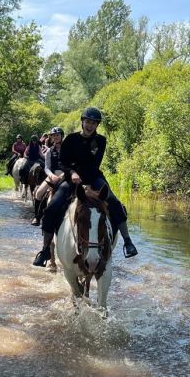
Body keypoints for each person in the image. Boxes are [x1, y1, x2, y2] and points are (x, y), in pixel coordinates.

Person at [32, 107, 138, 267]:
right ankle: (45, 249)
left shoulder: (101, 141)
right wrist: (72, 172)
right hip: (71, 179)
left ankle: (127, 242)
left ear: (97, 125)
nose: (90, 125)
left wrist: (85, 180)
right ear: (82, 122)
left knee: (115, 202)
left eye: (94, 123)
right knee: (53, 207)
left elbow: (94, 164)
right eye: (88, 122)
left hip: (93, 178)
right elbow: (62, 162)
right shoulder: (70, 139)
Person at [31, 126, 65, 226]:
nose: (56, 137)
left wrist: (63, 174)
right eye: (54, 136)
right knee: (38, 193)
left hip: (65, 174)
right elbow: (46, 167)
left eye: (58, 135)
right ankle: (37, 217)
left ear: (62, 136)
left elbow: (70, 165)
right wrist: (51, 176)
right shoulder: (49, 151)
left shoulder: (67, 150)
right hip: (52, 175)